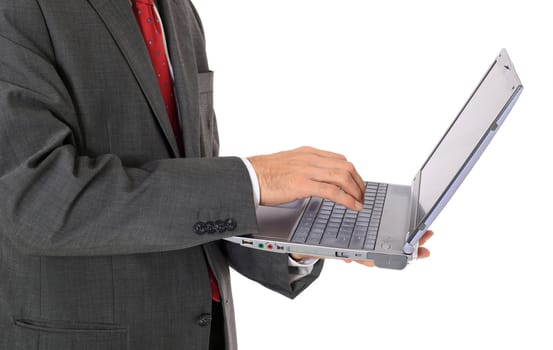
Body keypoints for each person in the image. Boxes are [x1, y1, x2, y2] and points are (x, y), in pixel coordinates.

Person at [0, 1, 432, 349]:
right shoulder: (18, 11)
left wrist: (301, 235)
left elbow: (193, 196)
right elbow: (36, 201)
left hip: (205, 331)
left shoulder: (175, 11)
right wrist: (252, 180)